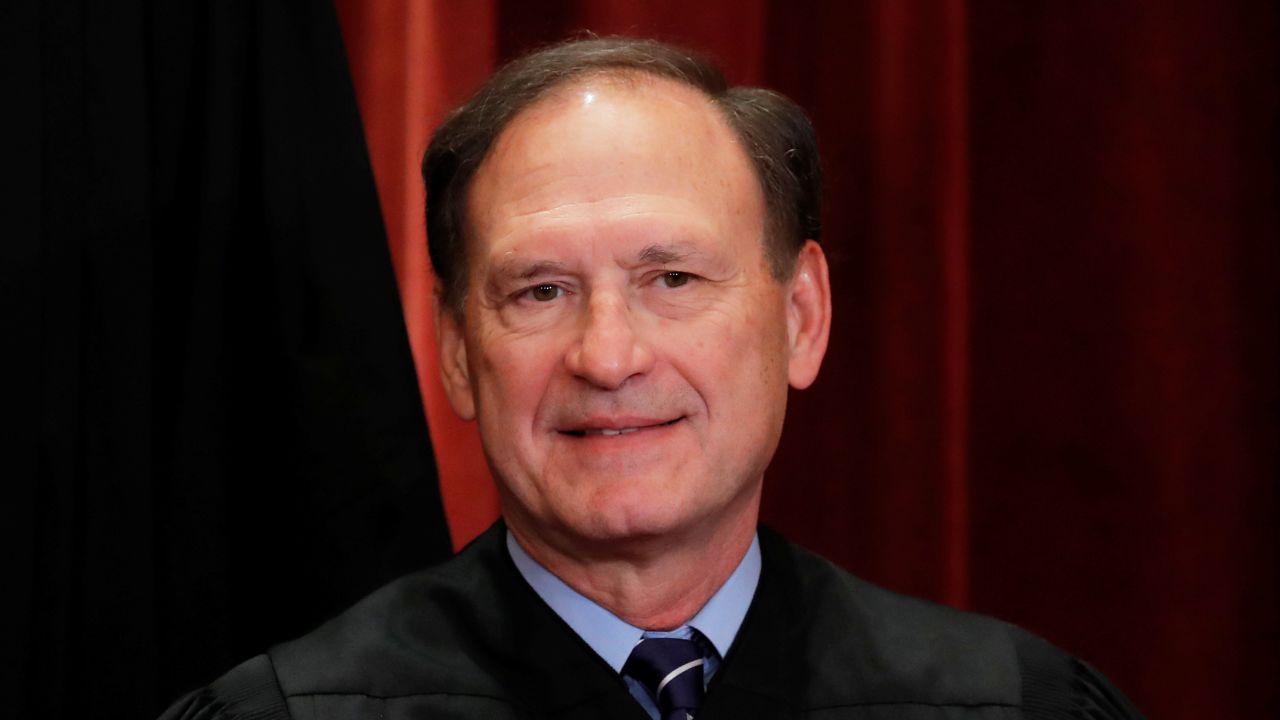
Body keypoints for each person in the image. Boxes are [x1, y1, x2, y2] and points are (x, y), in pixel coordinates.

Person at [161, 37, 1143, 720]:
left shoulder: (1010, 704)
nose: (608, 355)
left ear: (799, 317)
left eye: (670, 279)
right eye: (540, 291)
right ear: (458, 351)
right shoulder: (291, 712)